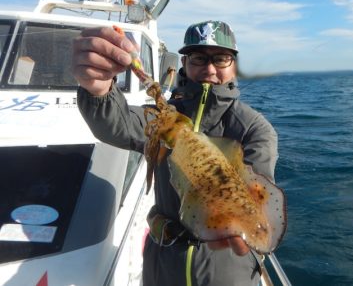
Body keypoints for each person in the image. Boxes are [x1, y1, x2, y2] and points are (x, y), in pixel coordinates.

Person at [72, 20, 279, 286]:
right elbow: (117, 124)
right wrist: (98, 89)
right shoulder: (163, 118)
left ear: (234, 65)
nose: (209, 68)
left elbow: (258, 192)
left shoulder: (254, 128)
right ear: (184, 64)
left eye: (221, 59)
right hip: (164, 263)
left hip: (227, 269)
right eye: (198, 58)